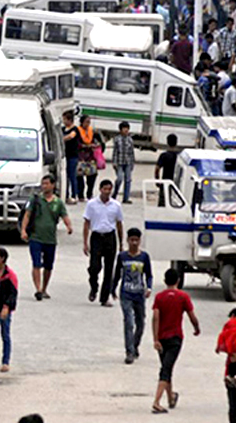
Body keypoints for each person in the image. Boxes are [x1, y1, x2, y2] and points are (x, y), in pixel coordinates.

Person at [151, 268, 201, 414]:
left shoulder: (159, 297)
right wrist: (196, 328)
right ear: (178, 281)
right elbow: (192, 316)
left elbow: (155, 318)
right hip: (175, 338)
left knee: (167, 367)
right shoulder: (183, 297)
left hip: (162, 338)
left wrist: (155, 339)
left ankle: (171, 397)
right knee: (166, 369)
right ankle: (157, 401)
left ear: (165, 281)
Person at [20, 174, 72, 301]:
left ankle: (44, 288)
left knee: (48, 266)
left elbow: (64, 215)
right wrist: (23, 230)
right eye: (43, 184)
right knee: (36, 263)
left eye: (47, 184)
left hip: (50, 239)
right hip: (35, 237)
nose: (44, 186)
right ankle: (38, 289)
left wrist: (69, 226)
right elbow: (27, 215)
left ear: (53, 185)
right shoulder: (35, 200)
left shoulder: (58, 202)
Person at [112, 228, 153, 364]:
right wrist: (112, 289)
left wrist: (149, 288)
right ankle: (129, 351)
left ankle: (135, 345)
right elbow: (117, 274)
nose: (134, 243)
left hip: (139, 294)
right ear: (127, 240)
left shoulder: (144, 257)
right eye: (132, 240)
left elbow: (149, 275)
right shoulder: (122, 257)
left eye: (136, 240)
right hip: (126, 293)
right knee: (128, 322)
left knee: (140, 323)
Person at [84, 179, 124, 307]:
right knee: (95, 266)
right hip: (96, 236)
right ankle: (94, 286)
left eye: (109, 189)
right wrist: (85, 243)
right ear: (100, 189)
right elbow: (86, 223)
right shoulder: (92, 204)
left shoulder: (116, 205)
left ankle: (104, 297)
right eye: (105, 189)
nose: (107, 192)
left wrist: (121, 242)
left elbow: (119, 224)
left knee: (109, 269)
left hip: (110, 237)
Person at [75, 114, 101, 201]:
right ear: (82, 122)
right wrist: (86, 146)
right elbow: (77, 144)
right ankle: (80, 194)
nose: (88, 124)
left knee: (92, 176)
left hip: (90, 157)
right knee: (79, 177)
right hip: (80, 157)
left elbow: (98, 142)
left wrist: (95, 145)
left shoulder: (92, 132)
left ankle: (89, 193)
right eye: (86, 122)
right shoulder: (77, 131)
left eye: (89, 122)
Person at [112, 121, 135, 204]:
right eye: (124, 128)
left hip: (128, 162)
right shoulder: (117, 139)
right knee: (119, 179)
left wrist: (132, 163)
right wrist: (114, 162)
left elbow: (132, 153)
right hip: (119, 163)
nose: (126, 130)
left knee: (128, 180)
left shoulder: (130, 140)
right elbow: (115, 152)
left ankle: (126, 198)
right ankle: (114, 194)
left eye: (127, 129)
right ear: (120, 130)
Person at [62, 111, 79, 204]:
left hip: (73, 156)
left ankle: (74, 195)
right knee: (66, 176)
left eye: (64, 119)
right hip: (65, 155)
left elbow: (69, 137)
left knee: (72, 175)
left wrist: (62, 138)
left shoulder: (75, 130)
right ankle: (66, 194)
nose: (63, 121)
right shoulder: (63, 129)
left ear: (69, 120)